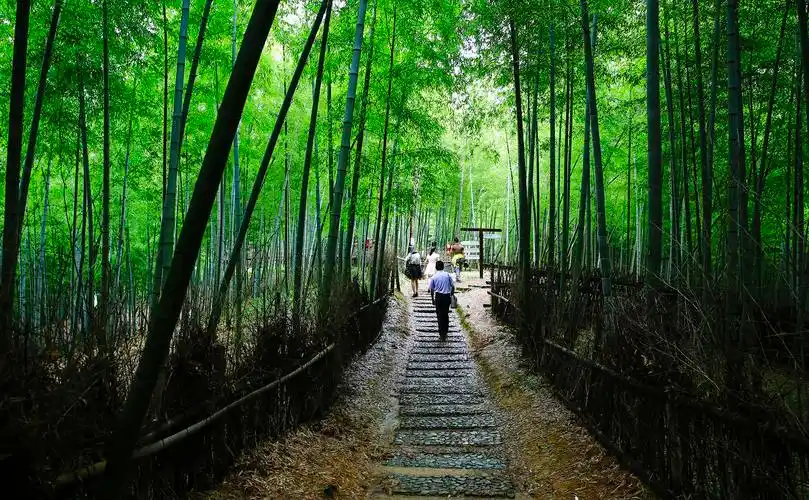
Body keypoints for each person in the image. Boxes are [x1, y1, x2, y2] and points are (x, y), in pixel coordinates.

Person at [428, 260, 455, 340]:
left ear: (436, 267)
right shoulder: (447, 275)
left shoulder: (434, 277)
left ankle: (441, 334)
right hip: (446, 297)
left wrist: (433, 299)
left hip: (438, 297)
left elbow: (432, 289)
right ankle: (445, 332)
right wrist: (451, 295)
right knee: (445, 314)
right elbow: (453, 286)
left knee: (439, 316)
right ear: (443, 267)